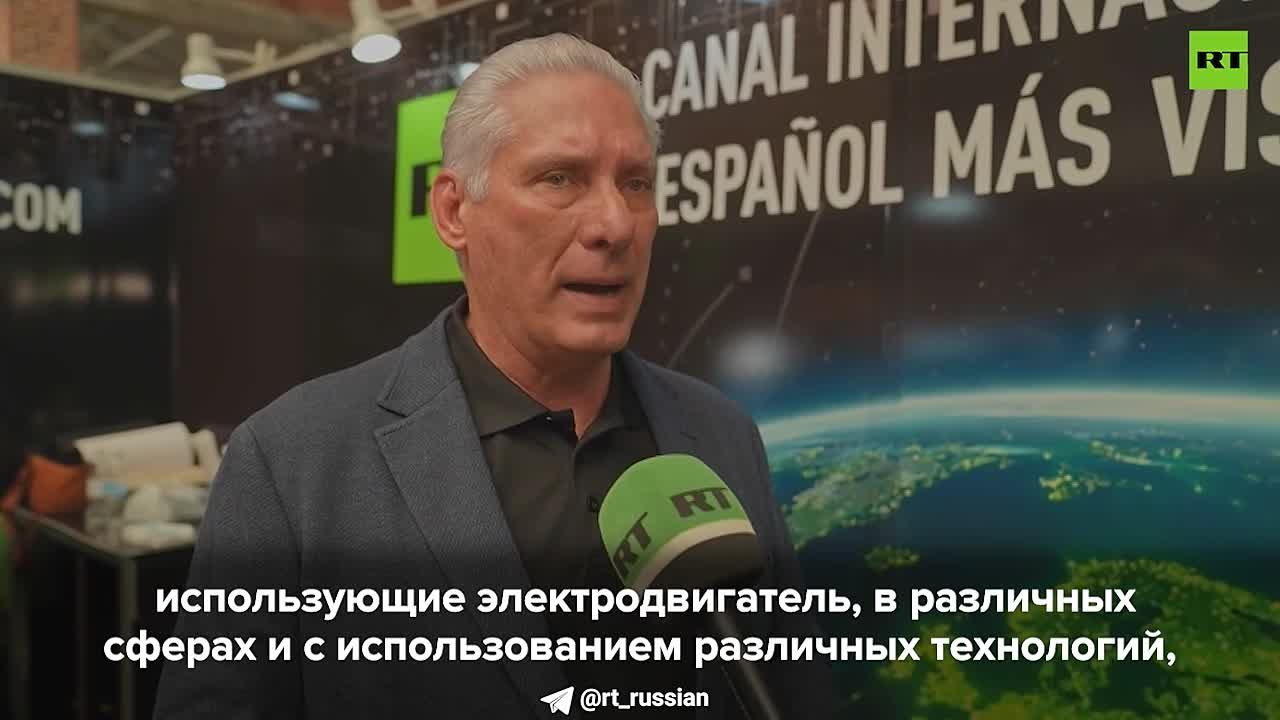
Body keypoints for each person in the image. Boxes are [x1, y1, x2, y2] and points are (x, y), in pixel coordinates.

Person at [155, 33, 832, 719]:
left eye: (636, 183)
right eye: (560, 178)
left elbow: (792, 689)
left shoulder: (721, 434)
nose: (615, 224)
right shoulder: (293, 461)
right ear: (454, 212)